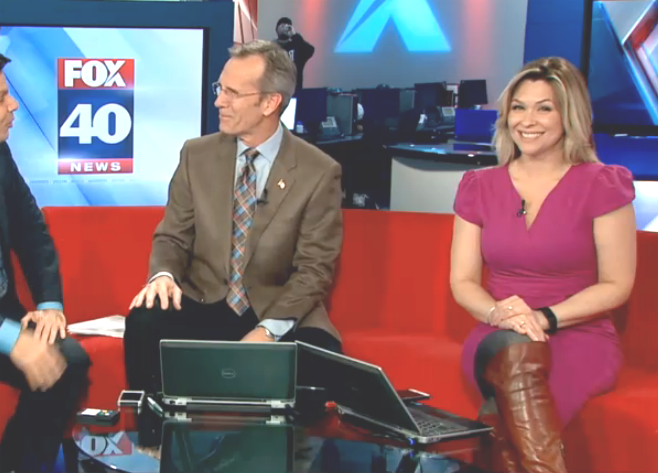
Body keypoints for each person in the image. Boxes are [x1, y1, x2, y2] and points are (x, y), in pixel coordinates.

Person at [124, 40, 343, 394]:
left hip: (277, 304)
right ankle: (153, 427)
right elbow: (173, 236)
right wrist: (163, 275)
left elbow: (314, 270)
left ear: (270, 103)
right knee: (145, 322)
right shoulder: (196, 155)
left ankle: (286, 433)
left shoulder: (318, 172)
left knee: (319, 359)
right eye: (220, 88)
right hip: (204, 300)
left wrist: (268, 331)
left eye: (232, 93)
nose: (218, 101)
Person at [450, 57, 636, 473]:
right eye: (518, 107)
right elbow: (462, 281)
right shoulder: (479, 186)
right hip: (497, 330)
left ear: (569, 116)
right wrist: (500, 314)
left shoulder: (602, 183)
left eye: (544, 108)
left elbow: (616, 284)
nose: (527, 121)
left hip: (579, 335)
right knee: (514, 355)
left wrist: (544, 317)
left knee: (508, 402)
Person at [0, 53, 90, 473]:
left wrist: (49, 304)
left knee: (67, 360)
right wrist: (9, 339)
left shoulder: (1, 154)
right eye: (2, 98)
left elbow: (31, 231)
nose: (14, 104)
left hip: (4, 313)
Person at [273, 17, 315, 92]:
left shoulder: (297, 45)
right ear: (277, 30)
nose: (285, 28)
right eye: (282, 26)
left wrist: (295, 35)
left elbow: (310, 51)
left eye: (287, 26)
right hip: (276, 89)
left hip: (295, 90)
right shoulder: (272, 47)